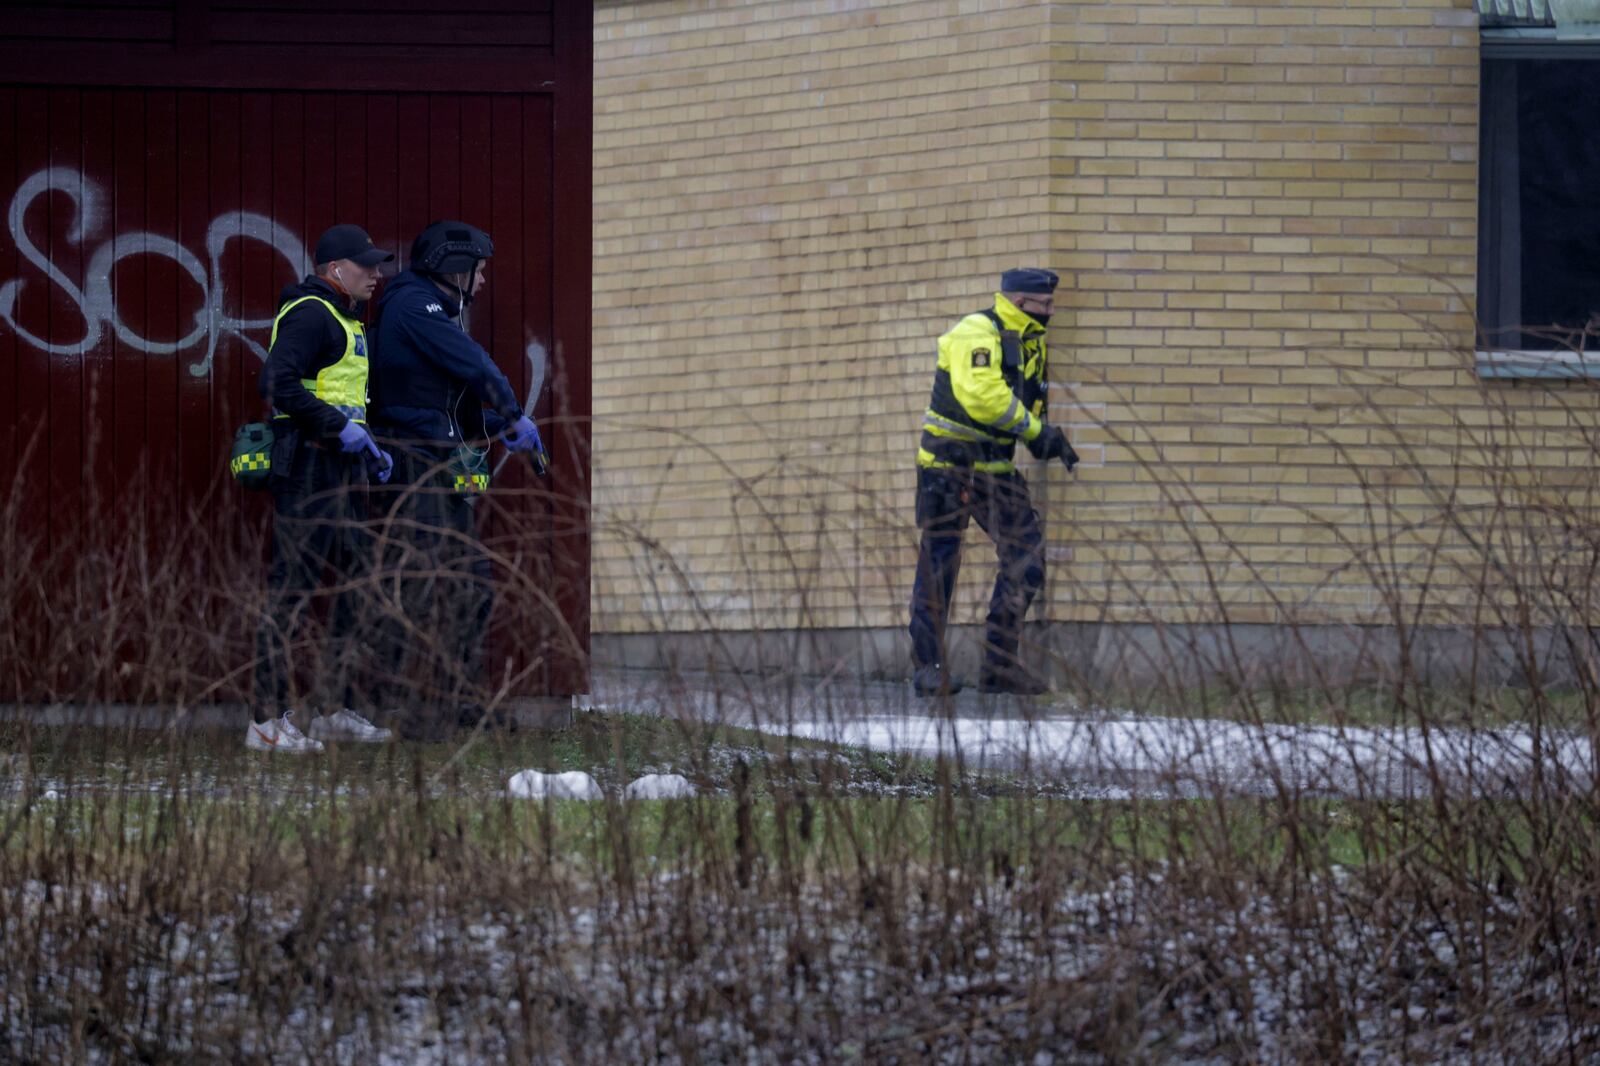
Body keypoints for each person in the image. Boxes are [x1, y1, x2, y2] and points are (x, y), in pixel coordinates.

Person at [368, 220, 547, 739]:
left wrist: (495, 427)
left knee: (469, 586)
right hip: (415, 465)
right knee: (428, 588)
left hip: (439, 461)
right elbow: (473, 366)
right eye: (479, 270)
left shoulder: (433, 311)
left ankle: (463, 703)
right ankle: (419, 712)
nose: (484, 281)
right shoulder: (413, 305)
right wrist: (512, 411)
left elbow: (442, 402)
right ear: (454, 269)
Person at [248, 224, 397, 753]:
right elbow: (277, 383)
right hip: (309, 468)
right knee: (291, 592)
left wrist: (369, 447)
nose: (377, 275)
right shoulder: (312, 313)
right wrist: (340, 430)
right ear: (336, 269)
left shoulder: (344, 317)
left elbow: (340, 396)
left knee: (356, 584)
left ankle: (334, 708)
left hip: (341, 469)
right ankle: (265, 723)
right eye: (367, 266)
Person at [908, 267, 1078, 697]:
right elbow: (983, 398)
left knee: (1027, 559)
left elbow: (1025, 401)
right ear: (1021, 303)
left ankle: (999, 667)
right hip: (949, 466)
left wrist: (1044, 437)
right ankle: (928, 667)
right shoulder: (976, 331)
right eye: (1045, 305)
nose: (1052, 311)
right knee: (940, 564)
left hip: (996, 470)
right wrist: (1037, 432)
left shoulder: (1029, 344)